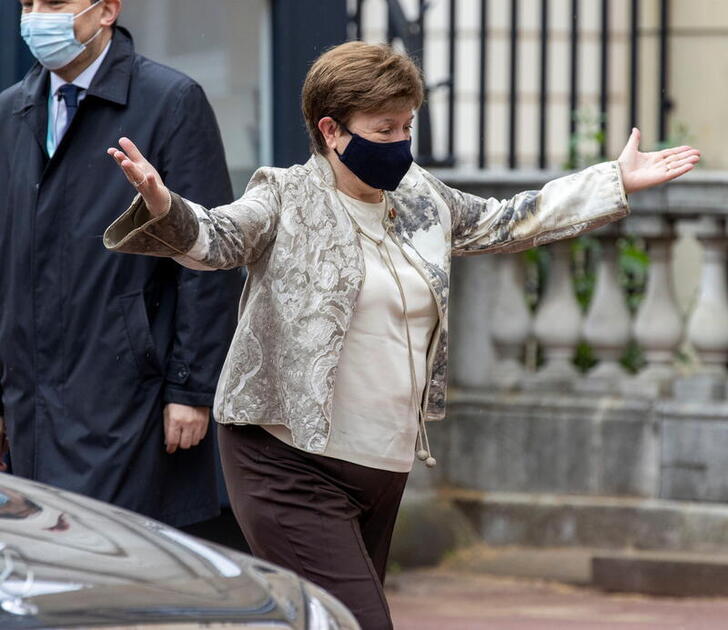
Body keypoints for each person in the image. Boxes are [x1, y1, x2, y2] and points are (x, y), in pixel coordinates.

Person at [103, 41, 700, 629]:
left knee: (322, 620)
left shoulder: (421, 197)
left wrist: (611, 181)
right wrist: (164, 204)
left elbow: (507, 222)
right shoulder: (284, 194)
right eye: (384, 129)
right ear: (331, 130)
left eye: (406, 126)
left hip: (381, 465)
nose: (400, 144)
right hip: (284, 457)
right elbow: (217, 240)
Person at [0, 0, 242, 528]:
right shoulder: (11, 111)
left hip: (128, 398)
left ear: (106, 10)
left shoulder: (170, 102)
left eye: (55, 3)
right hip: (28, 402)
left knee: (113, 570)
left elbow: (209, 256)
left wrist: (191, 389)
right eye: (27, 4)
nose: (36, 17)